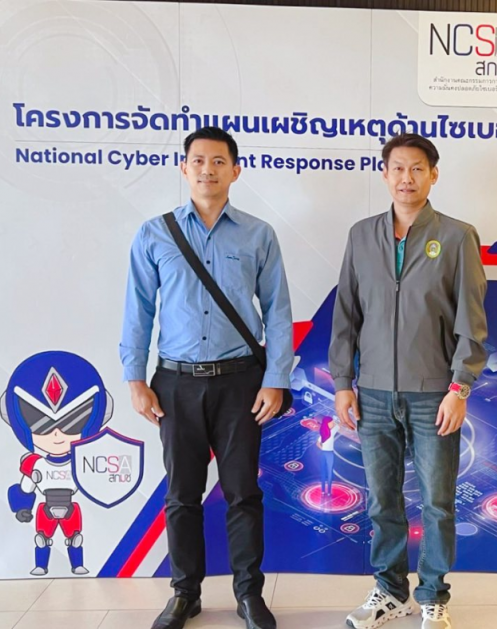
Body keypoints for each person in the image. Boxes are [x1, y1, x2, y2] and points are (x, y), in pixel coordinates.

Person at [120, 127, 293, 629]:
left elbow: (278, 311)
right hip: (175, 384)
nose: (207, 169)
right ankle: (184, 594)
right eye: (197, 160)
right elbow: (138, 310)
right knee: (182, 495)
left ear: (235, 171)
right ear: (184, 168)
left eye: (218, 161)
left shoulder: (258, 234)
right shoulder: (154, 234)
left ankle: (248, 595)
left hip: (241, 383)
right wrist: (135, 378)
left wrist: (276, 378)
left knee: (243, 493)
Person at [329, 133, 488, 629]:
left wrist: (459, 387)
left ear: (433, 175)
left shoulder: (457, 236)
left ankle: (434, 596)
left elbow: (471, 321)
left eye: (417, 168)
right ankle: (390, 592)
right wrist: (343, 382)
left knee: (437, 503)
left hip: (433, 394)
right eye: (397, 168)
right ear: (384, 174)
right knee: (383, 501)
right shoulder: (361, 235)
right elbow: (346, 314)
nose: (406, 178)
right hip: (373, 394)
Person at [316, 415, 339, 497]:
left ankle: (324, 491)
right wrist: (335, 421)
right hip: (329, 453)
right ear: (327, 424)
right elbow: (337, 425)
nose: (332, 423)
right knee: (329, 472)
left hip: (324, 453)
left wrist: (323, 448)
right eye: (331, 422)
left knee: (324, 472)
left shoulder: (323, 433)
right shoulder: (331, 432)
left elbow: (317, 443)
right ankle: (328, 491)